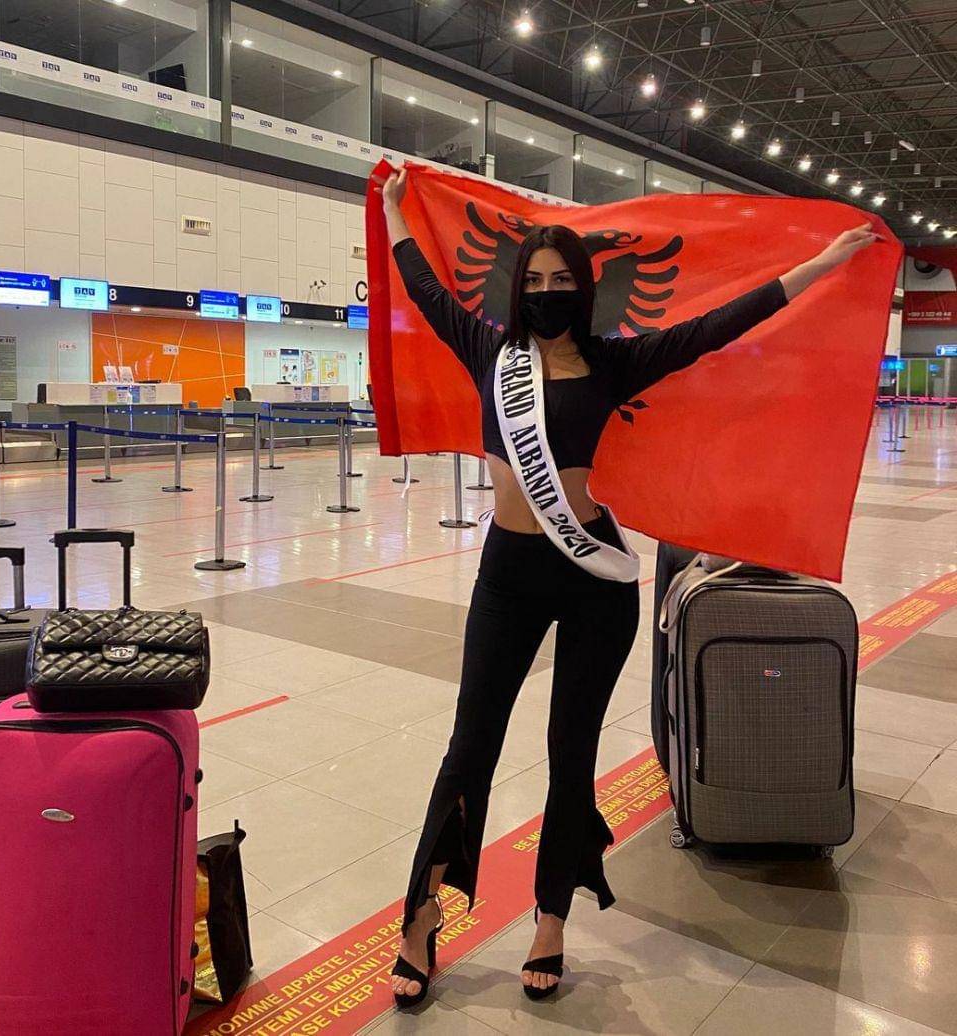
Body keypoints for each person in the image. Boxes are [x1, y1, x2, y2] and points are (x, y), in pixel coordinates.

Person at [373, 164, 877, 1007]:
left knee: (570, 752)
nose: (546, 294)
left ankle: (551, 916)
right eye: (534, 282)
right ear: (517, 290)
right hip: (509, 573)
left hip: (593, 578)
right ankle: (420, 916)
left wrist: (823, 265)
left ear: (584, 289)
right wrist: (396, 211)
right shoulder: (491, 352)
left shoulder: (613, 364)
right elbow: (423, 287)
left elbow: (720, 325)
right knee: (471, 745)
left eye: (560, 281)